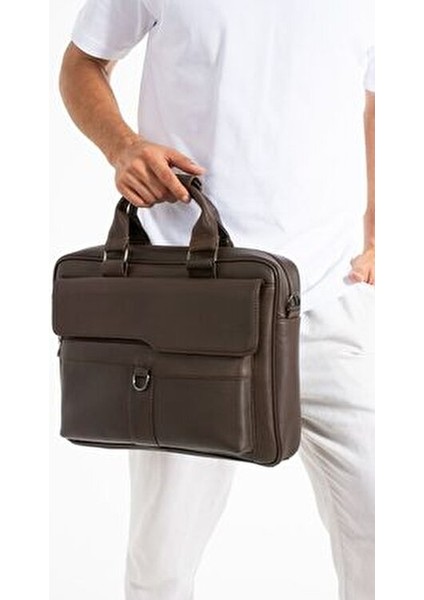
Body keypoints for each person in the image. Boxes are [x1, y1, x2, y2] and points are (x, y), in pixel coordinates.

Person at [59, 1, 375, 598]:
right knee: (162, 564)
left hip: (330, 296)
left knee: (386, 540)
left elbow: (380, 94)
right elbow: (82, 63)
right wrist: (123, 146)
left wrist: (380, 227)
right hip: (189, 309)